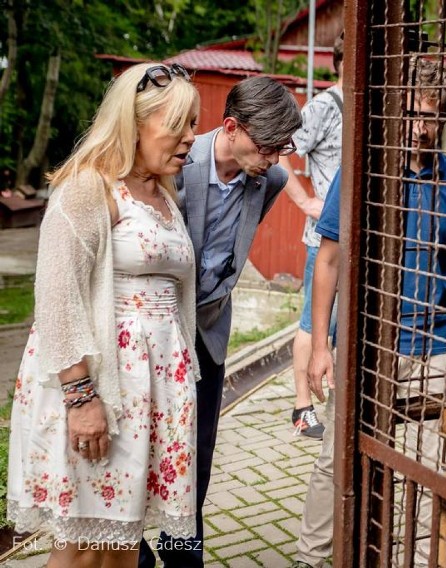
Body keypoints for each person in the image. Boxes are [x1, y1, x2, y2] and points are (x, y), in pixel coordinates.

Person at [6, 62, 200, 567]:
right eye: (178, 125)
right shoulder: (89, 188)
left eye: (194, 125)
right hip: (99, 392)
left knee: (117, 550)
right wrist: (81, 398)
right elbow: (56, 296)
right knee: (84, 553)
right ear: (134, 124)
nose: (190, 139)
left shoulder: (161, 194)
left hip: (148, 393)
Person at [292, 57, 446, 568]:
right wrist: (320, 346)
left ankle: (417, 559)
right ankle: (314, 559)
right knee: (338, 457)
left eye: (434, 116)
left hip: (435, 344)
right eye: (416, 114)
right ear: (399, 110)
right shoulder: (364, 173)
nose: (423, 127)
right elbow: (328, 258)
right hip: (369, 344)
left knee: (428, 467)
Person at [138, 76, 302, 567]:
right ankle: (128, 551)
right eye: (267, 146)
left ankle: (182, 550)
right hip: (154, 335)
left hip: (207, 334)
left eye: (281, 148)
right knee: (138, 452)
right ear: (232, 127)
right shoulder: (175, 164)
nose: (274, 159)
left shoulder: (267, 180)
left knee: (197, 456)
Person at [281, 31, 345, 439]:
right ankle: (302, 408)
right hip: (323, 238)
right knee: (313, 323)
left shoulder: (370, 105)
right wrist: (305, 201)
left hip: (355, 239)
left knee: (339, 324)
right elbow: (280, 152)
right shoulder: (324, 106)